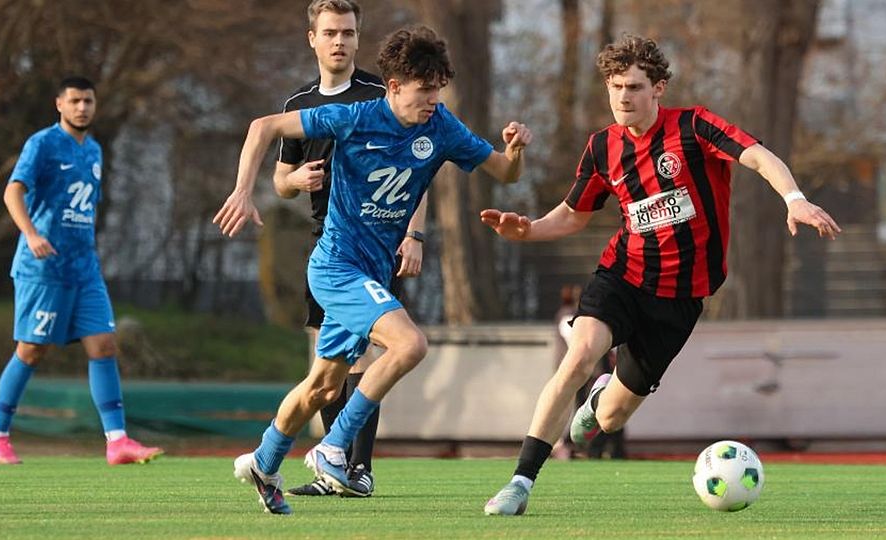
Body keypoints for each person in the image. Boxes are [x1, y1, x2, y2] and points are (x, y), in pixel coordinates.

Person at [481, 34, 840, 515]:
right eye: (614, 87)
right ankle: (520, 483)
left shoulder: (693, 127)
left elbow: (757, 154)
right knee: (580, 354)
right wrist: (528, 231)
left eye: (633, 87)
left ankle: (597, 402)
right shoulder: (602, 147)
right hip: (622, 276)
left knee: (610, 418)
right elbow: (573, 214)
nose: (623, 98)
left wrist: (794, 198)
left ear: (659, 89)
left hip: (680, 299)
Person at [214, 25, 531, 515]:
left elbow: (504, 173)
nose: (432, 99)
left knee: (322, 385)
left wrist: (515, 149)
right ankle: (333, 448)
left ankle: (265, 459)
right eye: (423, 90)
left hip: (372, 274)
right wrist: (242, 190)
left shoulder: (441, 127)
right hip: (336, 267)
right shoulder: (354, 117)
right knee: (410, 344)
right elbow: (264, 127)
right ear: (394, 88)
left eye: (437, 89)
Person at [272, 0, 429, 499]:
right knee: (325, 360)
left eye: (348, 32)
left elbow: (420, 171)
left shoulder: (381, 96)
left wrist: (414, 234)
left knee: (367, 353)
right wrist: (294, 179)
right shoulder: (298, 104)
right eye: (330, 32)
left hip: (375, 241)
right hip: (327, 242)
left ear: (359, 39)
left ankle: (358, 468)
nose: (339, 41)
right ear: (312, 39)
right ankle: (329, 470)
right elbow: (278, 182)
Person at [0, 77, 163, 466]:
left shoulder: (94, 149)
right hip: (43, 267)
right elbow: (13, 191)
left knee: (104, 345)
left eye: (89, 101)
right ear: (59, 104)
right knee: (31, 350)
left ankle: (117, 442)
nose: (83, 107)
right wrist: (30, 234)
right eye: (76, 101)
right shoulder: (42, 143)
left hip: (84, 269)